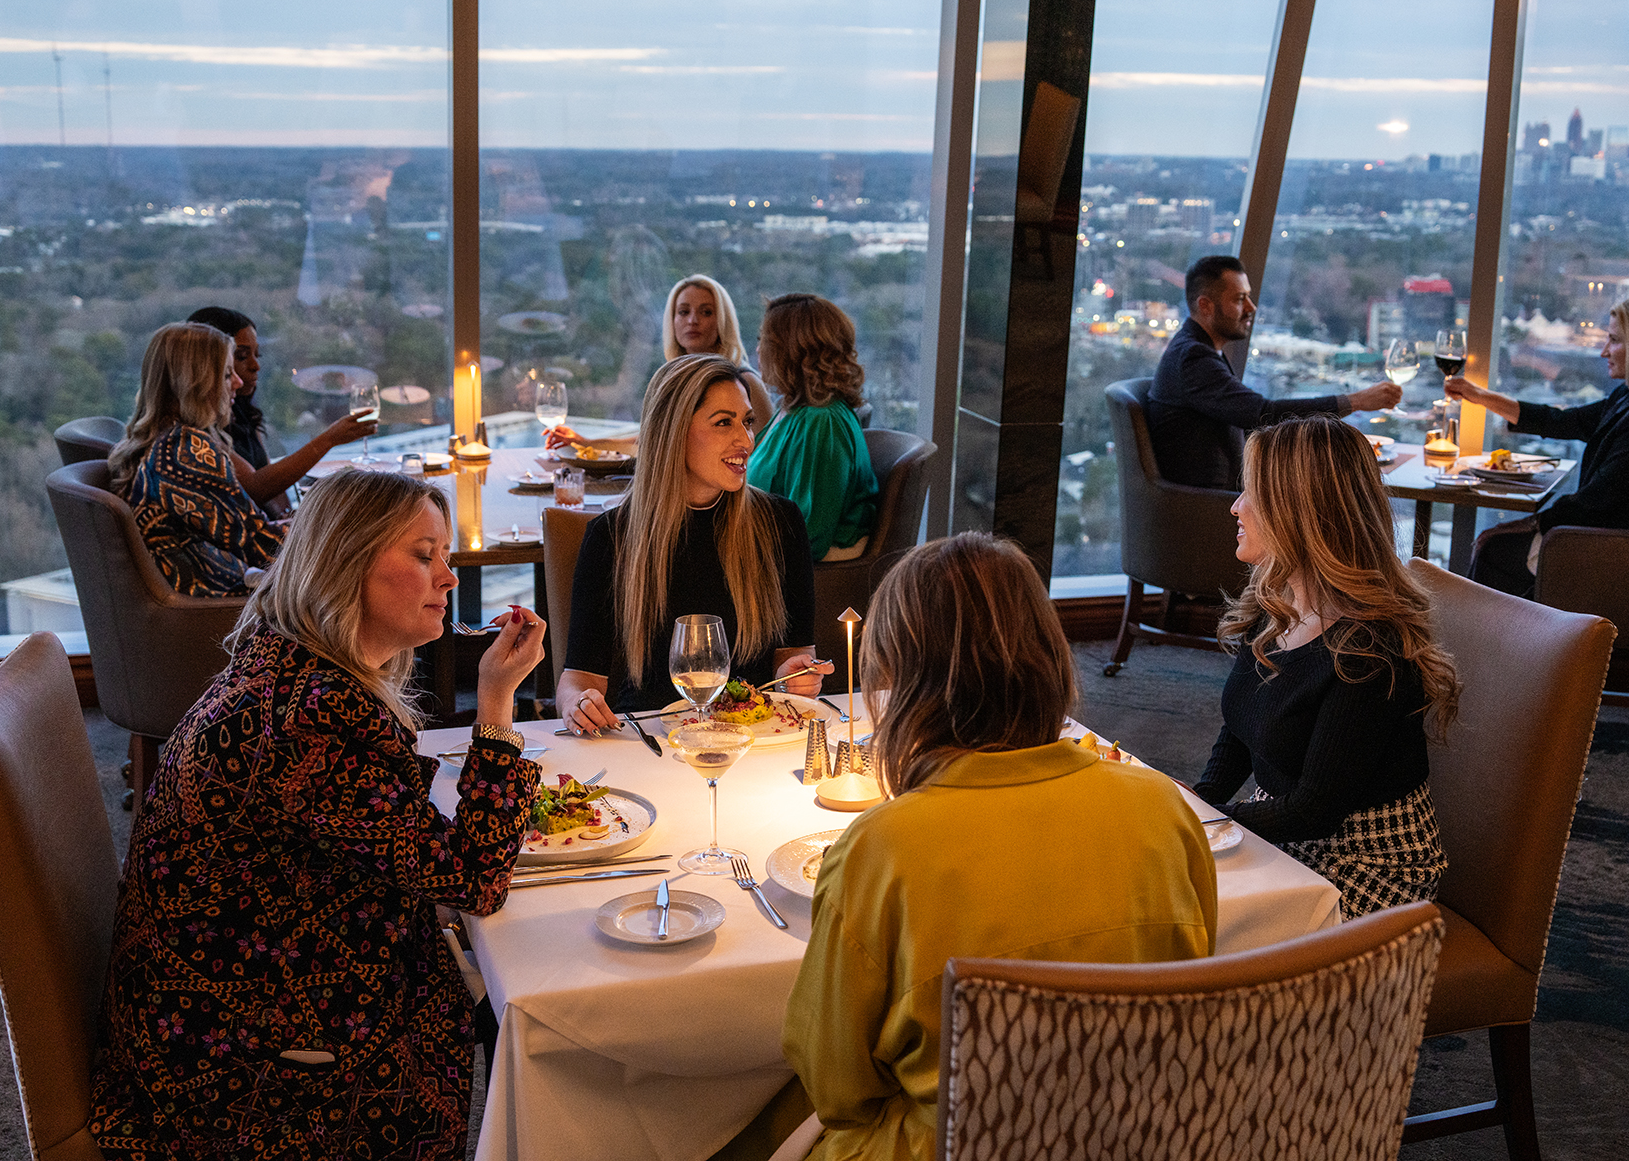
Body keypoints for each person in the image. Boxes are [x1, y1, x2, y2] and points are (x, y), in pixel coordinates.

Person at [88, 467, 549, 1159]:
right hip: (241, 1069)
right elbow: (474, 878)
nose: (449, 578)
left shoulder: (288, 668)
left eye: (446, 557)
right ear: (345, 563)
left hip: (221, 1003)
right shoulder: (308, 722)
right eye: (424, 556)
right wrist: (496, 704)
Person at [783, 533, 1217, 1161]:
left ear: (904, 682)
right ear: (1050, 651)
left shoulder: (882, 850)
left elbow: (837, 1087)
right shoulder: (1162, 808)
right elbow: (1194, 991)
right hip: (1134, 1136)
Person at [1194, 416, 1458, 920]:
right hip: (1284, 828)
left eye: (1252, 494)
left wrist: (1200, 824)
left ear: (1300, 512)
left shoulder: (1370, 653)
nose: (1235, 506)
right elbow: (1241, 731)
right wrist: (1200, 802)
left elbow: (1315, 810)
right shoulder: (1277, 604)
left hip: (1365, 865)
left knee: (1195, 918)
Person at [560, 354, 829, 729]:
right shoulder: (611, 537)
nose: (745, 440)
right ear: (672, 431)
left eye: (747, 422)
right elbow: (579, 679)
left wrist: (795, 676)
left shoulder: (780, 523)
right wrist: (578, 703)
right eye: (723, 423)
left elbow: (794, 655)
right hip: (649, 737)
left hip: (753, 735)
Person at [1445, 290, 1629, 598]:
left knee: (1494, 549)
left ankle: (1494, 628)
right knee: (1497, 545)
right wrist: (1480, 396)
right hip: (1616, 542)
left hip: (1624, 556)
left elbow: (1596, 500)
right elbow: (1563, 421)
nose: (1604, 352)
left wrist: (1529, 523)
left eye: (1614, 340)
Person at [1148, 255, 1402, 489]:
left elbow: (1250, 419)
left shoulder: (1198, 350)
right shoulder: (1193, 358)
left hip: (1218, 494)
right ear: (1205, 305)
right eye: (1239, 299)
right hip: (1207, 504)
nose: (1251, 307)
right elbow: (1262, 415)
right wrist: (1357, 401)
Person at [108, 322, 286, 596]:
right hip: (217, 605)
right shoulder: (185, 451)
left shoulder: (158, 441)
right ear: (196, 384)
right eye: (226, 375)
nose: (238, 383)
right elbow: (259, 545)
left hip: (201, 595)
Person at [185, 305, 375, 515]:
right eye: (241, 356)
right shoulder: (194, 432)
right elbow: (255, 488)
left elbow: (272, 486)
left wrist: (289, 517)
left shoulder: (244, 412)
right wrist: (330, 438)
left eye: (257, 355)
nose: (255, 366)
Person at [745, 293, 880, 562]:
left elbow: (809, 534)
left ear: (792, 351)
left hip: (801, 569)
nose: (758, 350)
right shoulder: (792, 408)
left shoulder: (822, 421)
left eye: (765, 341)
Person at [662, 273, 749, 364]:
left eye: (706, 312)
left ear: (723, 320)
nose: (692, 321)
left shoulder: (737, 372)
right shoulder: (672, 371)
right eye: (684, 312)